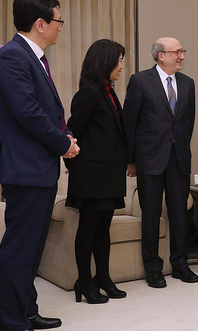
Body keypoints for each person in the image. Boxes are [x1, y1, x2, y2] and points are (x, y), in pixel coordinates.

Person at [0, 0, 79, 330]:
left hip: (37, 168)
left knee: (32, 248)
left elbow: (44, 112)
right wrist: (63, 144)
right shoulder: (12, 56)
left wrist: (63, 137)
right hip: (24, 168)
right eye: (58, 21)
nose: (61, 27)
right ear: (40, 23)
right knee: (20, 247)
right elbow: (28, 112)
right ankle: (12, 321)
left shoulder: (33, 57)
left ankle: (27, 309)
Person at [122, 37, 198, 288]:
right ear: (160, 55)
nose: (181, 57)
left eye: (182, 51)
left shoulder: (188, 84)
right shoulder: (140, 81)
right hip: (149, 160)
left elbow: (188, 123)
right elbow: (129, 123)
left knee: (179, 215)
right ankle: (153, 268)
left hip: (179, 160)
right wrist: (131, 160)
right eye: (177, 52)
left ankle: (180, 265)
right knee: (151, 216)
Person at [65, 39, 128, 304]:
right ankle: (85, 281)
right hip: (91, 174)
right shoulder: (89, 92)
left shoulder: (108, 91)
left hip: (109, 174)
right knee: (88, 228)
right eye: (119, 61)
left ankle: (103, 277)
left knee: (104, 228)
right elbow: (72, 131)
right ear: (105, 62)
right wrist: (73, 163)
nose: (121, 67)